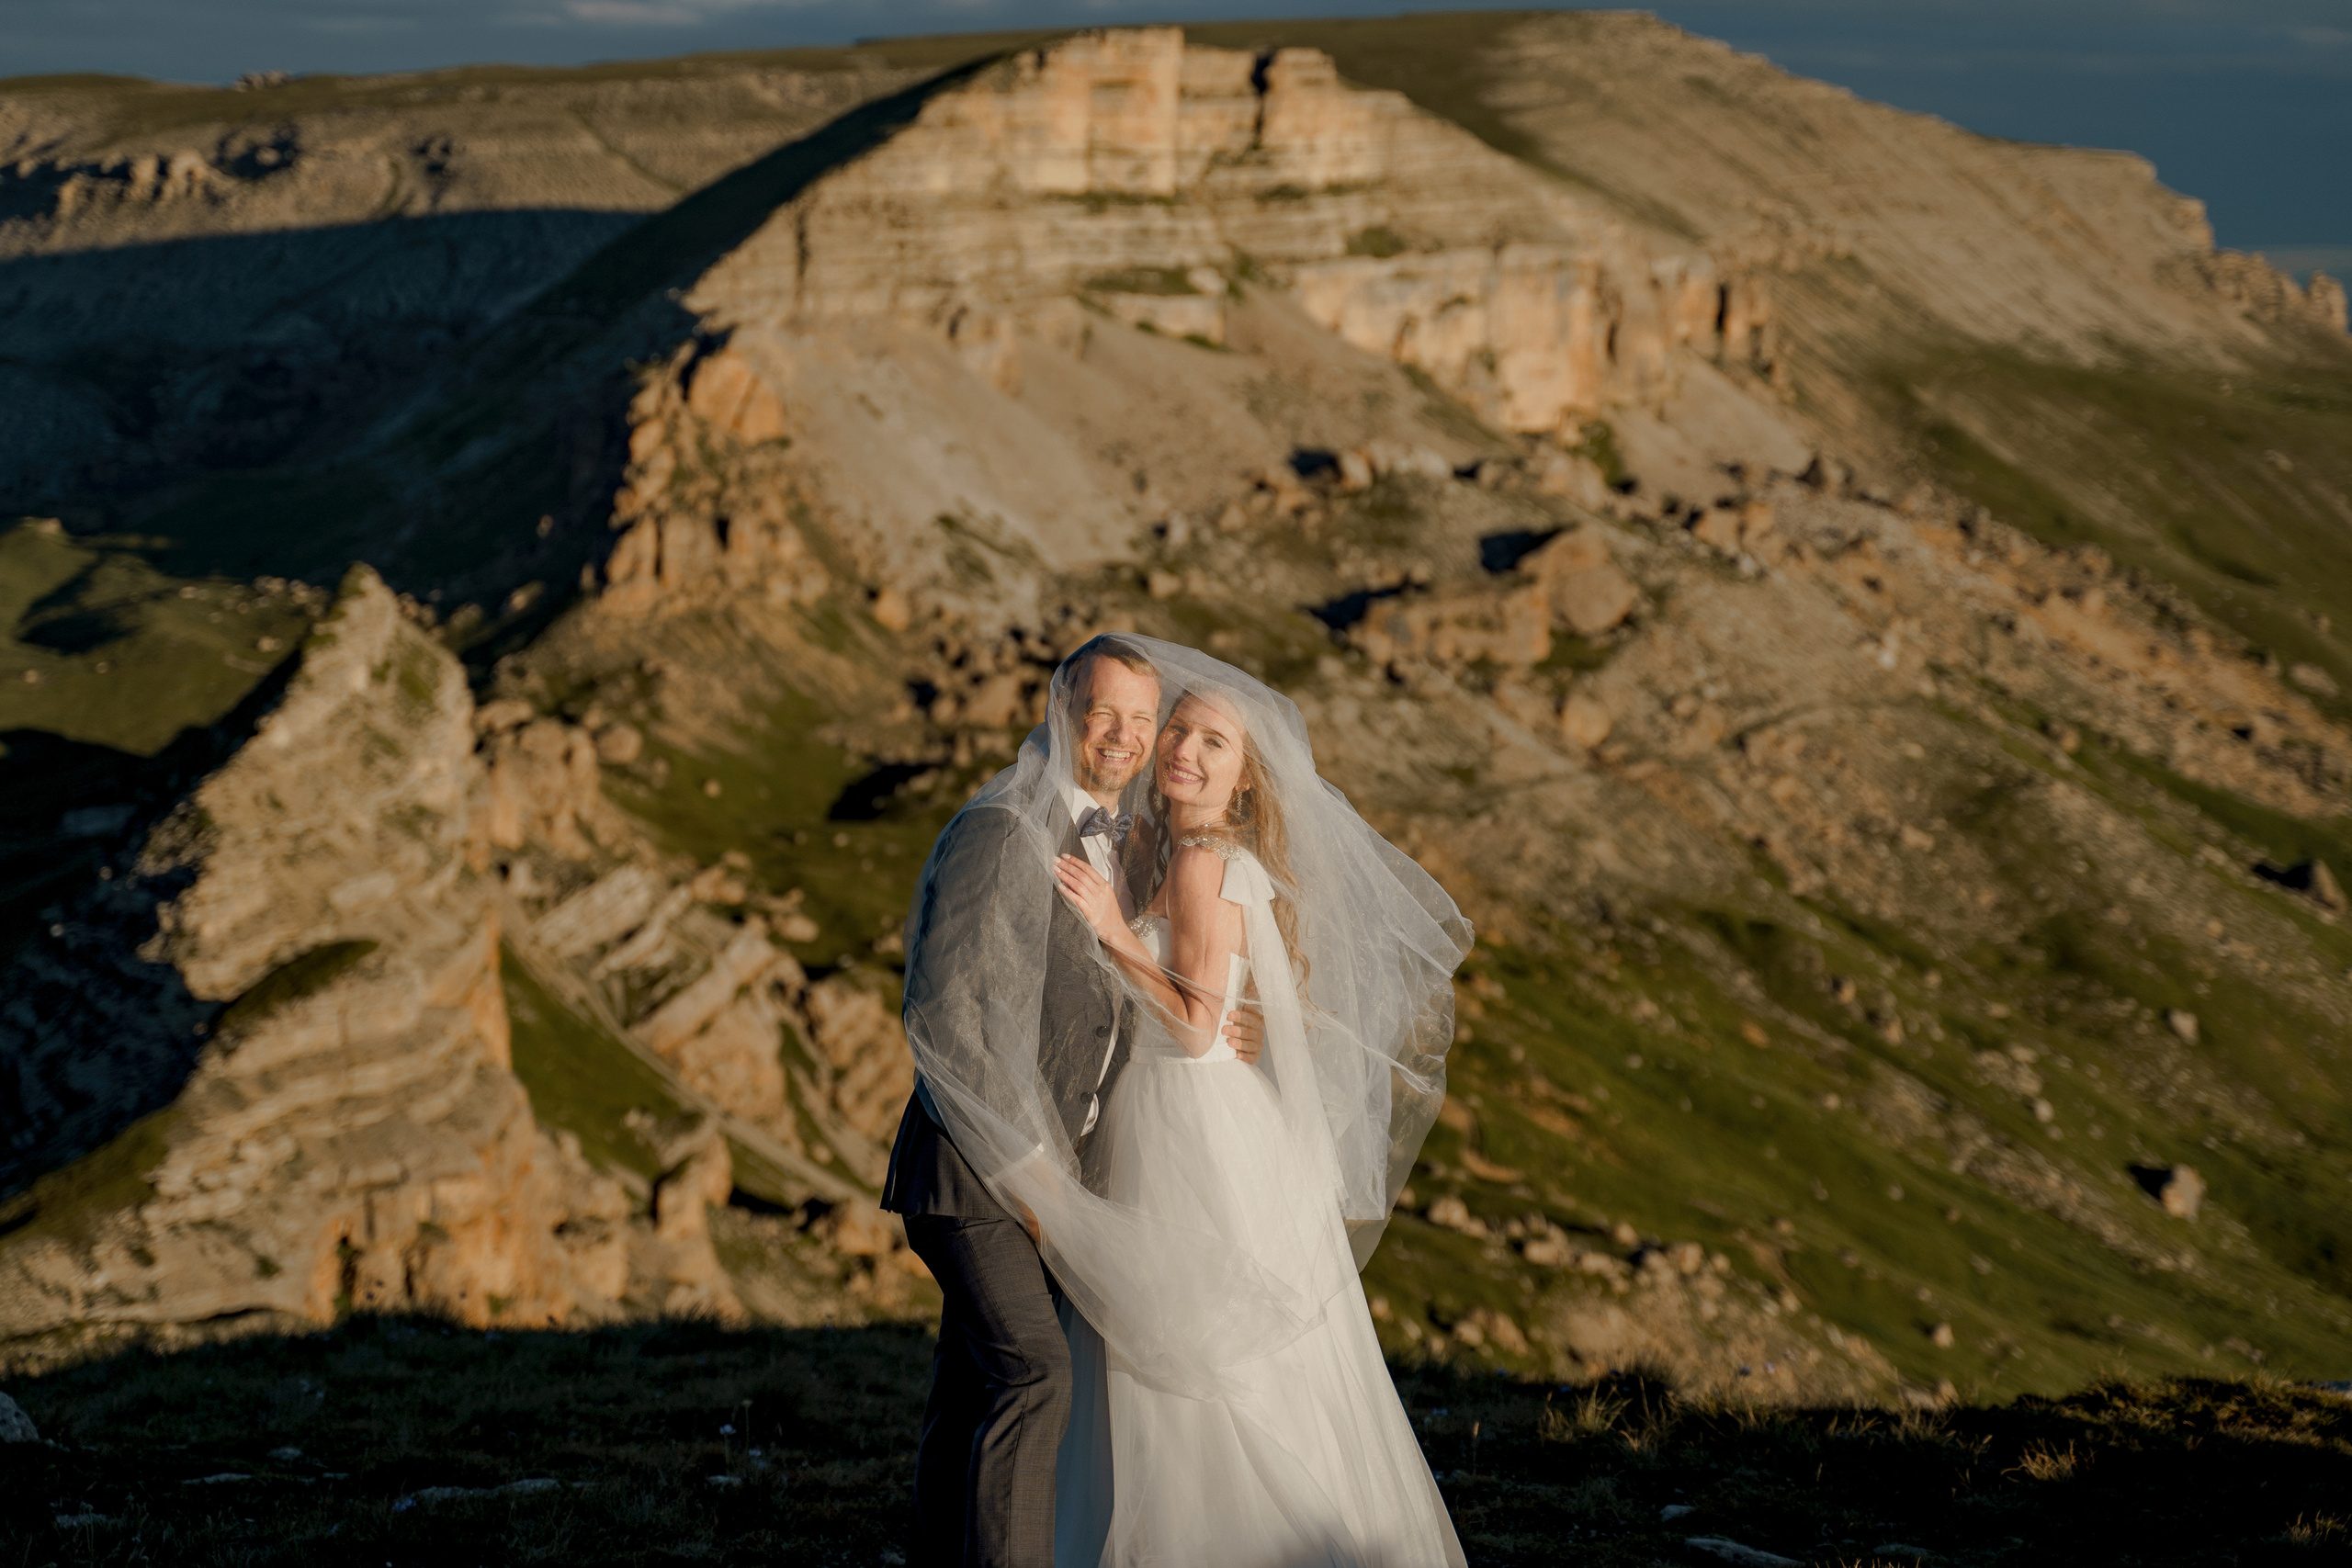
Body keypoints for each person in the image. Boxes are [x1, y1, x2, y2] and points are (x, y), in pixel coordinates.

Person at [1046, 668, 1471, 1567]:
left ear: (1245, 776)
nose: (1185, 752)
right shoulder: (1176, 851)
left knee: (1186, 1348)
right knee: (1210, 1347)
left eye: (1214, 744)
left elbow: (1197, 1026)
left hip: (1187, 1122)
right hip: (1199, 1114)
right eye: (1180, 733)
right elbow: (1219, 1003)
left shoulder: (1202, 861)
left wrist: (1113, 932)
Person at [882, 636, 1265, 1568]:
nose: (1125, 737)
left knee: (973, 1382)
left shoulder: (1117, 841)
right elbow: (945, 1016)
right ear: (1062, 710)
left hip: (1044, 1177)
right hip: (977, 1178)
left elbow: (1093, 1013)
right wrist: (1033, 1179)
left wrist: (1218, 1030)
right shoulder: (1002, 827)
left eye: (1142, 718)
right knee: (1033, 1374)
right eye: (1105, 714)